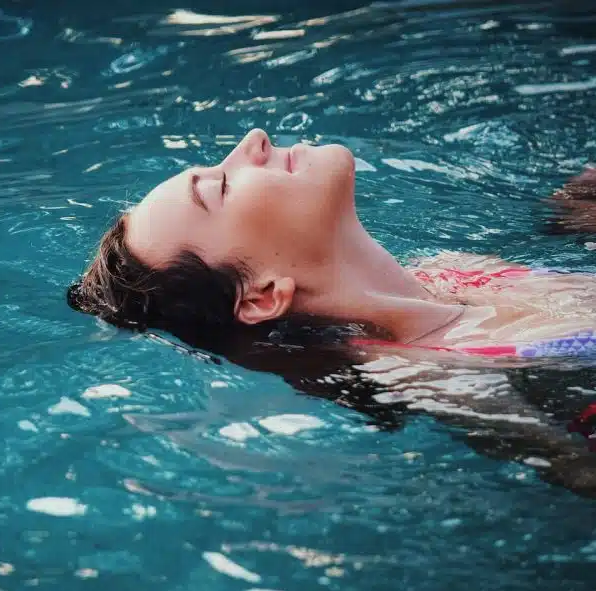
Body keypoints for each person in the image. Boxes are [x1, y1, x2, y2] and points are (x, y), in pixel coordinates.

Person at [66, 128, 596, 496]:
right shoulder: (431, 372)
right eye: (222, 187)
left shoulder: (456, 268)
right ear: (260, 297)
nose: (253, 141)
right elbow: (579, 473)